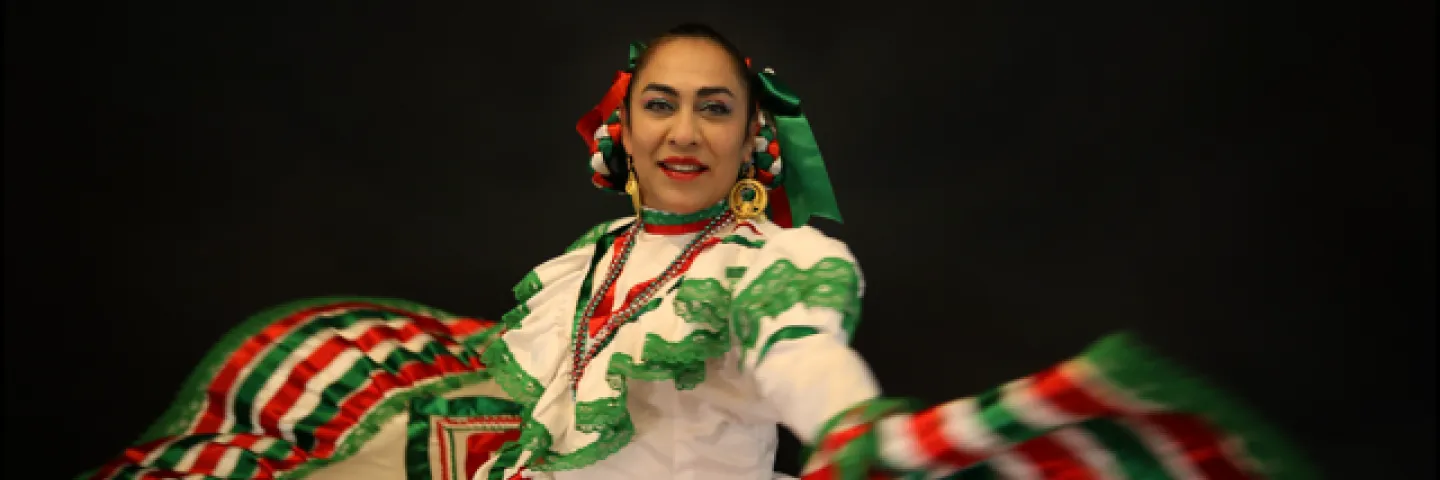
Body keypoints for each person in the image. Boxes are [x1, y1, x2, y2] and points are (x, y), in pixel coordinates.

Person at [79, 23, 1316, 480]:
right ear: (623, 131)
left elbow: (803, 355)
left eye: (713, 108)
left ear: (749, 139)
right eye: (660, 105)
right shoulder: (593, 257)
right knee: (305, 415)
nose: (684, 130)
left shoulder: (767, 262)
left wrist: (849, 427)